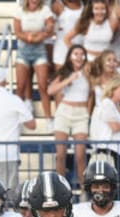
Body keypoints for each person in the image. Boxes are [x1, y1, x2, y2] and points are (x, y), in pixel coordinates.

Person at [48, 44, 92, 185]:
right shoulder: (64, 72)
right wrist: (69, 79)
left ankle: (84, 188)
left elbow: (91, 94)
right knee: (61, 154)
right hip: (64, 112)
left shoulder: (88, 71)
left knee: (80, 156)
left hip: (81, 114)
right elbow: (50, 90)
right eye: (75, 54)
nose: (79, 57)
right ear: (70, 57)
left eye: (81, 54)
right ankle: (62, 188)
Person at [14, 0, 54, 120]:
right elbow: (17, 32)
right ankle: (17, 117)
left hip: (39, 51)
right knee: (20, 86)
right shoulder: (19, 11)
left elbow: (50, 29)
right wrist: (31, 37)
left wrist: (36, 36)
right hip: (23, 51)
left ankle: (48, 118)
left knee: (42, 86)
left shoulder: (45, 10)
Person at [51, 0, 84, 69]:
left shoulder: (82, 4)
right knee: (61, 78)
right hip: (62, 48)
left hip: (80, 47)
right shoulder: (58, 4)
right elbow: (50, 25)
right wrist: (57, 28)